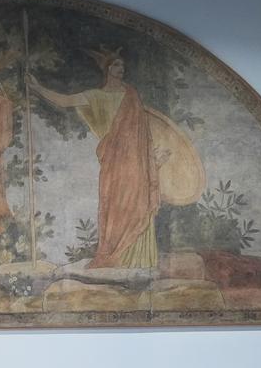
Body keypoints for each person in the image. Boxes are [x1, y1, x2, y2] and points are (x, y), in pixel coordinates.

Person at [28, 49, 164, 270]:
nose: (121, 69)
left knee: (136, 205)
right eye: (116, 65)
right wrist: (37, 88)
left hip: (135, 164)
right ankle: (115, 256)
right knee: (114, 207)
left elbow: (142, 135)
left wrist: (152, 160)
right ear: (107, 69)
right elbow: (66, 101)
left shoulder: (131, 96)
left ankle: (137, 261)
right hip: (113, 163)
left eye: (122, 65)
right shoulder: (96, 96)